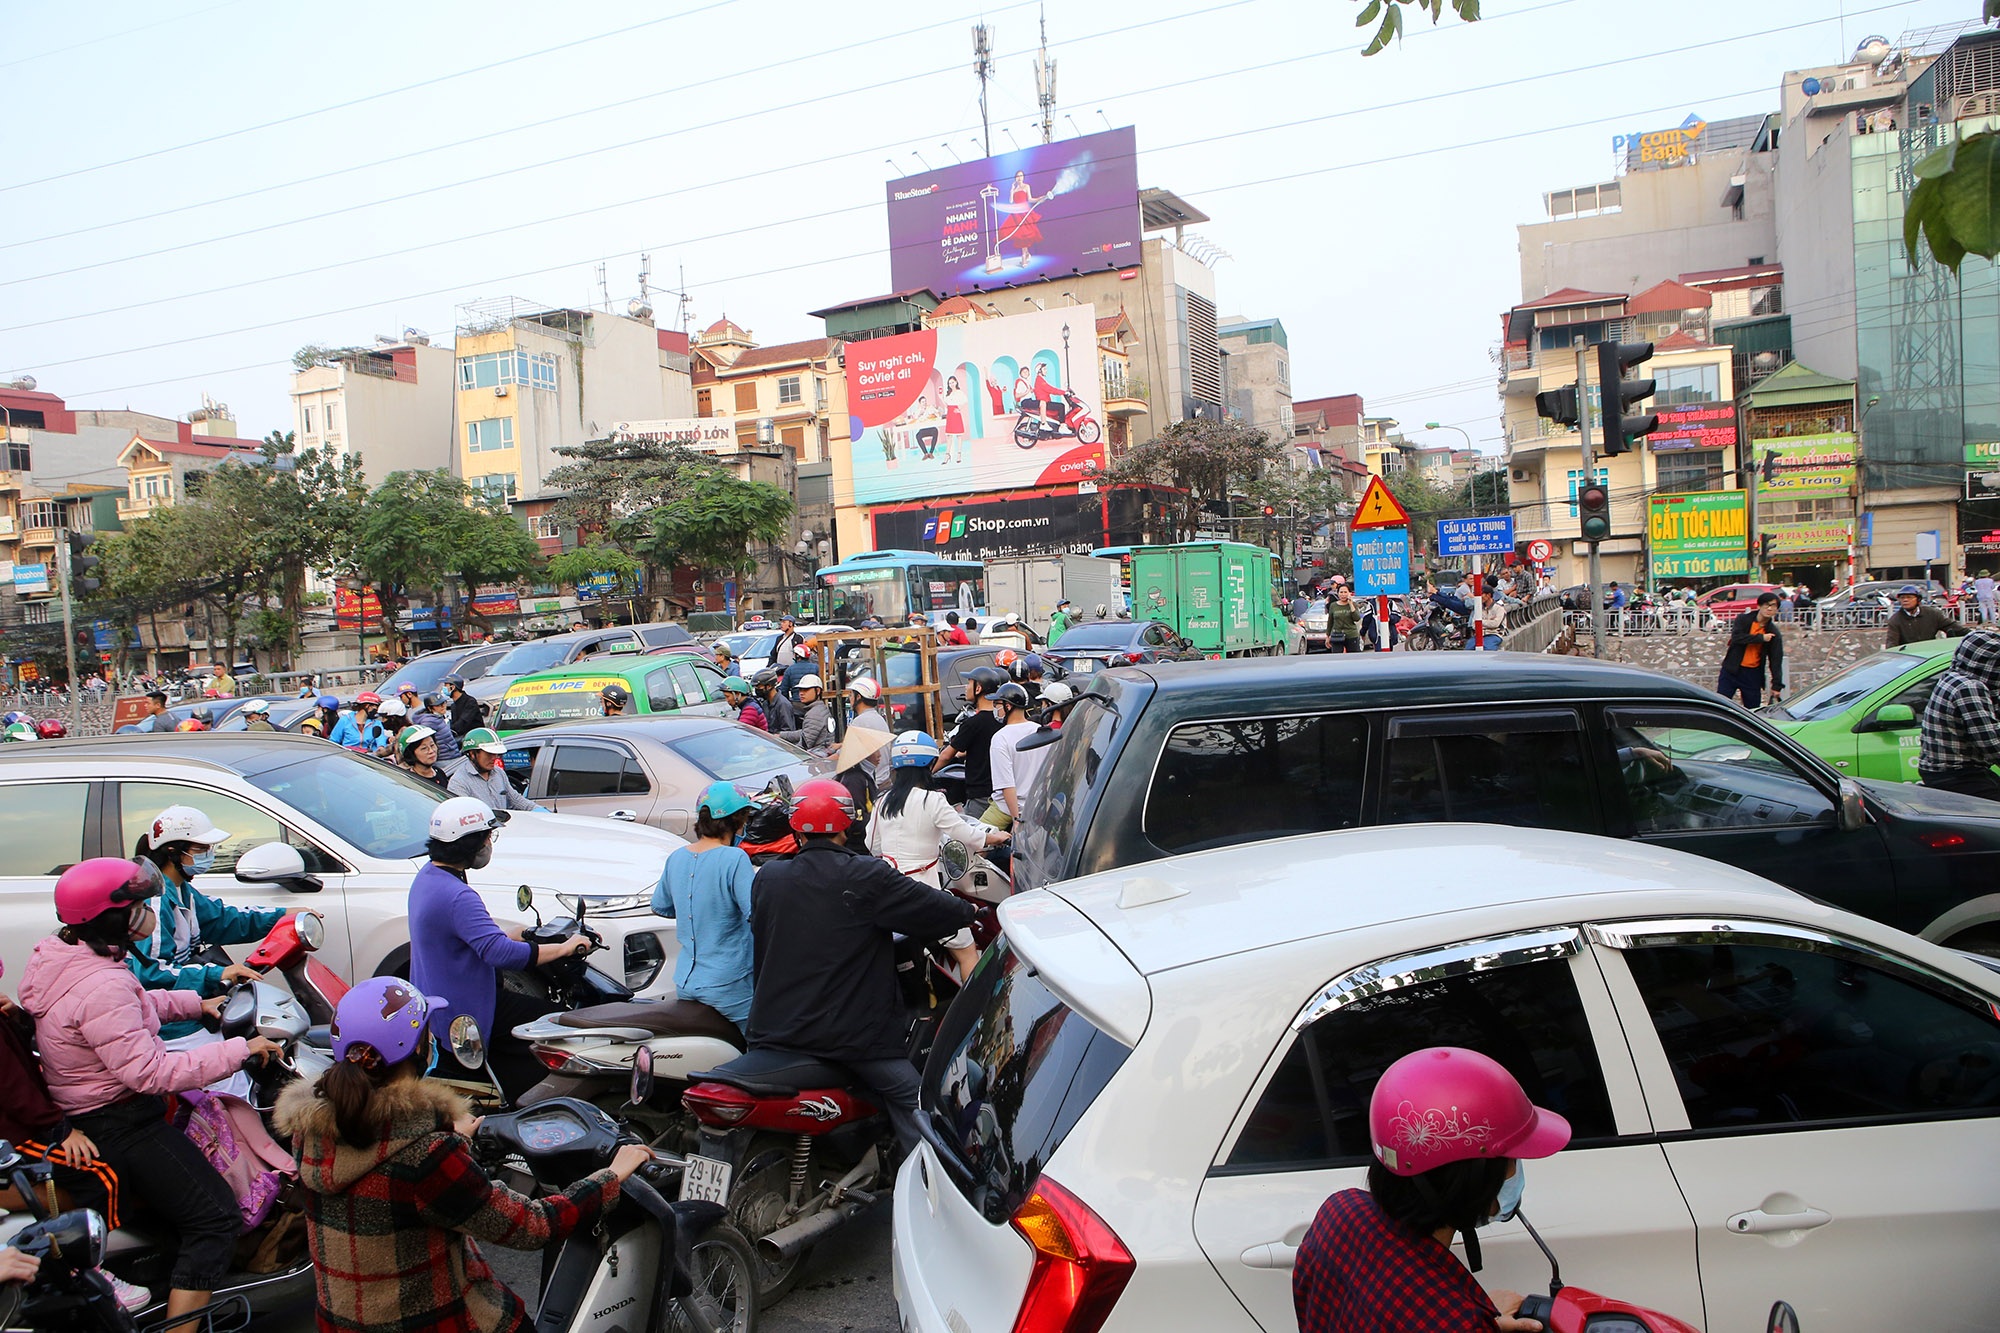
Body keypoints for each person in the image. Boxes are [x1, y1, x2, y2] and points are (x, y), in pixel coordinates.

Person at [275, 977, 647, 1333]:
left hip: (339, 1322)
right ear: (415, 1049)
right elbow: (533, 1227)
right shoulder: (428, 1156)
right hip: (429, 1323)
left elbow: (387, 1173)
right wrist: (610, 1177)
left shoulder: (310, 1132)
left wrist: (449, 1140)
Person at [21, 857, 282, 1332]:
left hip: (99, 1107)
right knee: (215, 1219)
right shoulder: (101, 983)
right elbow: (150, 1072)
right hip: (120, 1119)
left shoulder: (68, 957)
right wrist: (238, 1051)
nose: (145, 916)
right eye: (136, 908)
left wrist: (196, 1003)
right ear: (108, 919)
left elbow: (133, 1003)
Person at [746, 781, 977, 1155]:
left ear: (795, 826)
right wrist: (968, 910)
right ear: (847, 825)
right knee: (915, 1097)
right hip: (850, 1038)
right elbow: (936, 908)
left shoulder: (768, 878)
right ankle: (924, 1178)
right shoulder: (866, 875)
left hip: (772, 1030)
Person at [1292, 1046, 1568, 1333]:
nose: (1517, 1168)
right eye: (1512, 1158)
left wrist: (1483, 1319)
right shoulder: (1460, 1324)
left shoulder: (1340, 1211)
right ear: (1471, 1177)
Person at [0, 955, 152, 1312]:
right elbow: (14, 1090)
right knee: (102, 1169)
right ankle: (87, 1267)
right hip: (18, 1134)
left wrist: (18, 1019)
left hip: (27, 1121)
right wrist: (60, 1129)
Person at [410, 799, 588, 1098]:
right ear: (470, 843)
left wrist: (507, 935)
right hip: (469, 1007)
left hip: (443, 1001)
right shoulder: (457, 895)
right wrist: (565, 948)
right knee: (557, 1022)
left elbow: (461, 938)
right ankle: (537, 1100)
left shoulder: (428, 877)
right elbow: (500, 954)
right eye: (487, 837)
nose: (489, 844)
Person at [128, 805, 285, 1041]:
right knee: (238, 1058)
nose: (208, 855)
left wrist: (281, 916)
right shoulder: (155, 902)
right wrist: (218, 973)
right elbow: (152, 972)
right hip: (170, 1026)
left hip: (190, 1009)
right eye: (201, 849)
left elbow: (223, 919)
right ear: (173, 852)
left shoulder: (182, 891)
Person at [871, 732, 1007, 979]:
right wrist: (994, 838)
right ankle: (973, 1001)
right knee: (967, 951)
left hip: (889, 892)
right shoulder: (932, 799)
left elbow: (872, 844)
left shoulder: (883, 801)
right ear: (930, 764)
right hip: (925, 894)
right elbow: (964, 833)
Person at [650, 783, 758, 1029]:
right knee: (755, 1041)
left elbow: (660, 906)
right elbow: (755, 913)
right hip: (729, 983)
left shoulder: (677, 857)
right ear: (735, 821)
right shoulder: (735, 858)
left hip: (686, 982)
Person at [1919, 629, 2000, 801]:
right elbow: (1992, 744)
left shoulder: (1952, 677)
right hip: (1958, 774)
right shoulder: (1969, 687)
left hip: (1938, 771)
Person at [936, 666, 1007, 818]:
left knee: (973, 831)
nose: (965, 687)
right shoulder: (1003, 720)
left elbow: (947, 756)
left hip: (980, 796)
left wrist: (927, 773)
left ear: (978, 688)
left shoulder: (973, 723)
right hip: (1003, 792)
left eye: (969, 683)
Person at [1717, 591, 1786, 708]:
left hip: (1752, 674)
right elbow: (1737, 638)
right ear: (1759, 606)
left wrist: (1776, 685)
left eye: (1773, 606)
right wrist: (1761, 638)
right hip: (1732, 670)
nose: (1769, 609)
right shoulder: (1743, 620)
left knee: (1753, 709)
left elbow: (1776, 660)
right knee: (1721, 705)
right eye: (1767, 605)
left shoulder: (1773, 633)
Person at [986, 683, 1040, 830]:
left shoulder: (1000, 738)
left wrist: (1016, 820)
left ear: (1008, 706)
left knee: (975, 839)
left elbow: (1006, 784)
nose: (995, 709)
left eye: (997, 704)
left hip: (1005, 808)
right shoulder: (1039, 730)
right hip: (1036, 805)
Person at [446, 729, 540, 813]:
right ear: (472, 754)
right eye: (489, 754)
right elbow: (465, 814)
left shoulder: (498, 772)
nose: (494, 758)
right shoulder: (458, 782)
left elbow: (516, 799)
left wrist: (539, 810)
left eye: (496, 754)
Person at [847, 677, 893, 794]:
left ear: (858, 697)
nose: (849, 698)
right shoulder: (877, 718)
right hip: (884, 780)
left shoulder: (860, 721)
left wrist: (822, 761)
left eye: (851, 694)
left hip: (873, 785)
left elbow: (845, 754)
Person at [1887, 584, 1969, 646]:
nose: (1905, 600)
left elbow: (1955, 628)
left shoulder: (1932, 614)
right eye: (1902, 598)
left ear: (1918, 599)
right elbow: (1892, 643)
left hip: (1930, 654)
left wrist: (1973, 635)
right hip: (1909, 656)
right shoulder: (1895, 620)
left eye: (1909, 597)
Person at [412, 690, 466, 772]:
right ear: (430, 708)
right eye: (438, 705)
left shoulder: (438, 717)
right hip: (445, 760)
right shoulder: (429, 722)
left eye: (444, 703)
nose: (443, 706)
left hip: (452, 755)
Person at [780, 673, 834, 752]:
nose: (801, 693)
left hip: (818, 755)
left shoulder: (815, 714)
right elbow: (805, 732)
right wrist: (782, 735)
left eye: (806, 690)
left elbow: (803, 746)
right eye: (800, 690)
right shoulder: (820, 708)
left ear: (818, 691)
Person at [398, 726, 450, 791]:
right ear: (410, 754)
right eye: (424, 748)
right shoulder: (409, 781)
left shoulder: (439, 772)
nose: (431, 751)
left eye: (432, 745)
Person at [753, 670, 798, 734]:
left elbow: (788, 731)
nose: (757, 689)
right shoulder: (766, 703)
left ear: (769, 686)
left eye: (759, 686)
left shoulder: (783, 704)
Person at [443, 674, 483, 741]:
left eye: (445, 685)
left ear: (453, 687)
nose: (443, 688)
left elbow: (462, 724)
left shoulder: (470, 702)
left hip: (475, 738)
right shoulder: (453, 705)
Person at [1328, 585, 1363, 653]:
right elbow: (1330, 621)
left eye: (1345, 592)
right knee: (1337, 656)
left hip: (1351, 635)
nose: (1343, 594)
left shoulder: (1353, 604)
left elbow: (1357, 618)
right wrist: (1328, 635)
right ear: (1338, 593)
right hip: (1337, 635)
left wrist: (1351, 604)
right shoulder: (1333, 605)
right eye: (1341, 592)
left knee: (1353, 656)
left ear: (1349, 593)